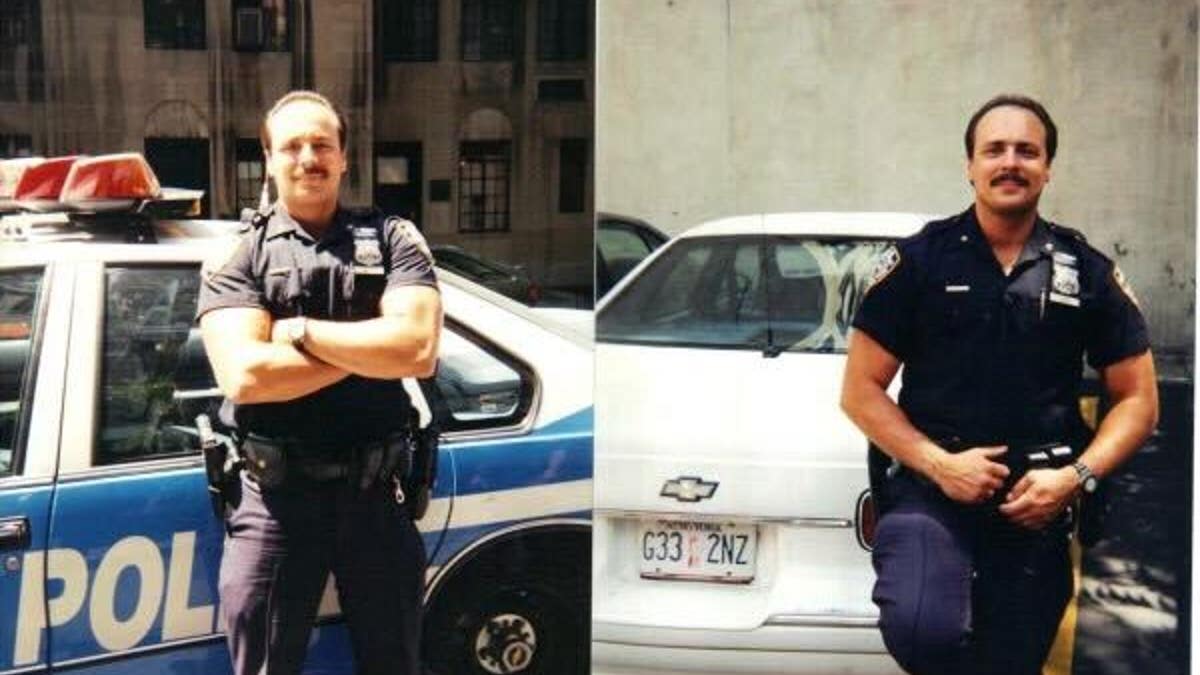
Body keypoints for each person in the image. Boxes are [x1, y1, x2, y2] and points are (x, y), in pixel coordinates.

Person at [840, 94, 1159, 675]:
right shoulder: (919, 261)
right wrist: (939, 465)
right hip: (931, 490)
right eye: (995, 150)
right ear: (969, 165)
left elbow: (1138, 398)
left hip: (1036, 503)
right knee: (922, 627)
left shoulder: (1083, 267)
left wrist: (1075, 477)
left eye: (1026, 151)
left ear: (1047, 168)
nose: (1010, 162)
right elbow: (860, 391)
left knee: (1013, 659)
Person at [197, 90, 442, 675]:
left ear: (344, 158)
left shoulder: (393, 239)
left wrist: (300, 331)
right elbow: (247, 375)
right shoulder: (241, 253)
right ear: (270, 159)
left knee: (395, 664)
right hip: (275, 504)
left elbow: (418, 349)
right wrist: (371, 348)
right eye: (293, 146)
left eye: (322, 145)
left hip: (376, 499)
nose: (309, 157)